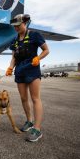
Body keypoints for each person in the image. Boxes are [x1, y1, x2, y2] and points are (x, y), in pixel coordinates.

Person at [6, 14, 49, 142]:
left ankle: (37, 129)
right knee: (24, 98)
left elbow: (46, 50)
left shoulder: (35, 35)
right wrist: (10, 67)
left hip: (32, 69)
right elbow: (14, 56)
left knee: (35, 98)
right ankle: (29, 121)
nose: (16, 28)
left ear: (25, 23)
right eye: (14, 26)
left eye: (18, 26)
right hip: (19, 71)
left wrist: (38, 58)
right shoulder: (14, 40)